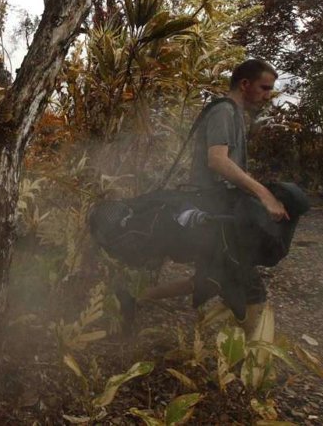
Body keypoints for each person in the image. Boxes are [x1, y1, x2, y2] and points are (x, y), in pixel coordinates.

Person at [122, 59, 289, 336]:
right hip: (212, 207)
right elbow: (218, 162)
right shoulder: (224, 111)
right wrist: (264, 194)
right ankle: (251, 365)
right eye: (264, 88)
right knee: (251, 287)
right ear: (245, 84)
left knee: (208, 278)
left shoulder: (234, 113)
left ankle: (132, 297)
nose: (267, 95)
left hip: (217, 205)